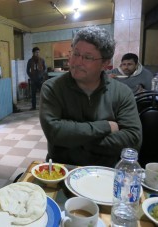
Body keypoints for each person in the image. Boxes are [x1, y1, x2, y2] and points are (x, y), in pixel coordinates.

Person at [39, 26, 142, 168]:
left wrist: (74, 140)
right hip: (62, 169)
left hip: (106, 172)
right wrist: (105, 126)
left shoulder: (121, 92)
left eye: (87, 57)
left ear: (105, 63)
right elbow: (54, 132)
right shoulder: (53, 87)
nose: (77, 62)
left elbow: (133, 139)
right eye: (75, 53)